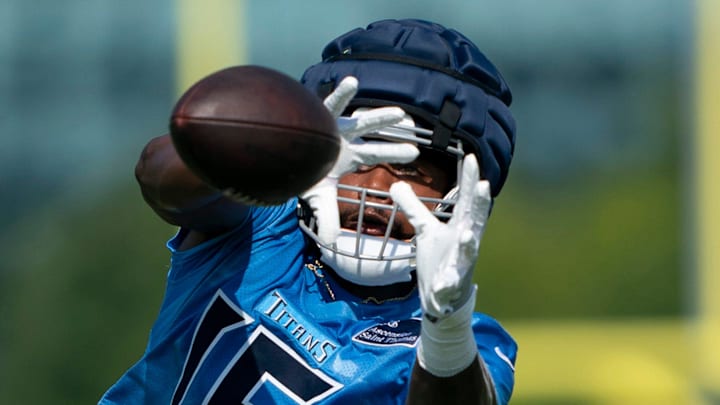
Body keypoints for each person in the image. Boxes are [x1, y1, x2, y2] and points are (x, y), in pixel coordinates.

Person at [100, 18, 518, 405]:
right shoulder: (259, 230)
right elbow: (159, 176)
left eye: (408, 167)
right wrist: (277, 157)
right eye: (360, 160)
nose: (374, 189)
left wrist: (446, 328)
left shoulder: (470, 338)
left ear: (461, 191)